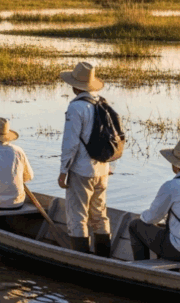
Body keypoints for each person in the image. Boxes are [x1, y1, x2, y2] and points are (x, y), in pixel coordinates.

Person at [57, 61, 113, 256]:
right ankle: (104, 258)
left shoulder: (76, 108)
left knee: (77, 215)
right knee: (99, 214)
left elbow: (70, 143)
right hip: (103, 169)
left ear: (75, 86)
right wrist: (110, 164)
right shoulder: (103, 104)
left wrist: (63, 171)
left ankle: (81, 258)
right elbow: (114, 138)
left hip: (82, 170)